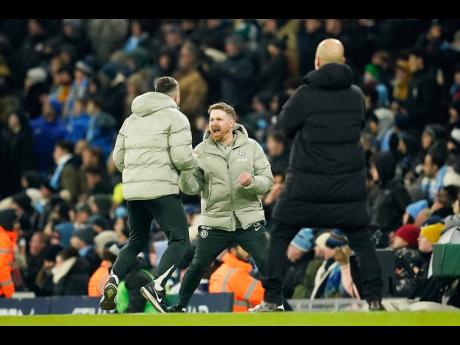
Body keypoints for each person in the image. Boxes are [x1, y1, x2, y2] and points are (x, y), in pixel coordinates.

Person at [250, 39, 384, 312]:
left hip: (305, 189)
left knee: (279, 234)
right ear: (344, 62)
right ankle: (374, 299)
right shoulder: (357, 95)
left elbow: (284, 127)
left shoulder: (304, 94)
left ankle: (272, 298)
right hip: (347, 189)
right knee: (361, 239)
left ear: (317, 62)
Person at [100, 76, 197, 313]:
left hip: (134, 191)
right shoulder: (177, 118)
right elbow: (183, 159)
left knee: (136, 241)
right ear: (176, 96)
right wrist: (197, 161)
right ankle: (157, 286)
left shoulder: (130, 120)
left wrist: (137, 174)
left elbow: (117, 159)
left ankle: (113, 278)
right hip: (162, 189)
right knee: (180, 240)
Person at [168, 102, 273, 312]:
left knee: (266, 263)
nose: (213, 123)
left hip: (247, 218)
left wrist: (251, 182)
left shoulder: (251, 146)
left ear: (232, 124)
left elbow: (268, 180)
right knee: (197, 265)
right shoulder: (200, 151)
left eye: (219, 119)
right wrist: (187, 169)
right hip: (216, 220)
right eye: (211, 120)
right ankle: (180, 306)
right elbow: (191, 189)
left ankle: (274, 303)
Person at [209, 245, 265, 312]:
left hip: (220, 319)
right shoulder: (238, 275)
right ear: (233, 250)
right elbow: (264, 298)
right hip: (238, 320)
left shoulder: (218, 272)